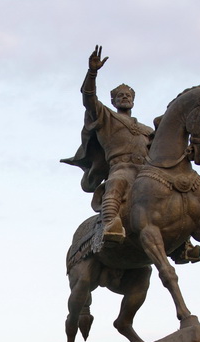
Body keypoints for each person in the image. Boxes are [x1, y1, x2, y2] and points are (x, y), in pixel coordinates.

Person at [61, 45, 154, 245]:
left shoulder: (146, 130)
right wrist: (92, 72)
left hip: (147, 170)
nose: (124, 97)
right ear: (112, 101)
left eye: (128, 95)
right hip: (122, 167)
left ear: (134, 101)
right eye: (119, 95)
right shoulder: (106, 117)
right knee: (117, 183)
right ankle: (110, 223)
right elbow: (88, 99)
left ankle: (183, 241)